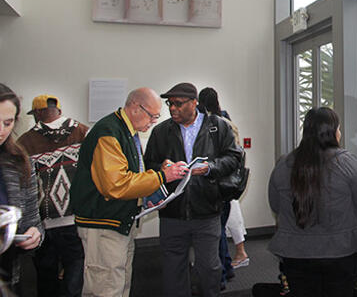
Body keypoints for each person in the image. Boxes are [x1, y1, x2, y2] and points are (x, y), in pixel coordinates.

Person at [71, 87, 188, 297]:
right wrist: (162, 177)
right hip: (104, 223)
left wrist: (151, 188)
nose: (154, 122)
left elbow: (130, 175)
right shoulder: (109, 132)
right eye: (152, 116)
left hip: (119, 222)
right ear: (135, 107)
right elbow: (116, 185)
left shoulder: (125, 131)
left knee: (120, 281)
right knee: (105, 287)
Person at [144, 82, 242, 297]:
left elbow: (234, 158)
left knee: (209, 268)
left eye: (178, 104)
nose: (172, 109)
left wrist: (210, 168)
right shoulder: (161, 132)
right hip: (172, 212)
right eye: (170, 104)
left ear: (194, 103)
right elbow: (147, 165)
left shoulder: (217, 127)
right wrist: (162, 168)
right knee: (173, 270)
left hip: (207, 210)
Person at [268, 107, 357, 297]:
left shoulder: (283, 164)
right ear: (332, 132)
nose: (340, 133)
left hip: (295, 254)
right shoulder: (347, 162)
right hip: (340, 253)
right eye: (339, 128)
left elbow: (276, 206)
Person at [17, 94, 89, 297]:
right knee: (75, 276)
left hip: (43, 224)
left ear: (38, 113)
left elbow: (22, 185)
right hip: (77, 219)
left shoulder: (25, 142)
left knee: (46, 279)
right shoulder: (84, 132)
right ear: (57, 110)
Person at [198, 86, 249, 289]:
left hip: (214, 184)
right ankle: (226, 267)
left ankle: (218, 277)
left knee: (215, 231)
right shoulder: (227, 119)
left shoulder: (208, 125)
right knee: (221, 227)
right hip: (227, 185)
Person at [0, 84, 44, 293]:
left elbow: (32, 221)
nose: (1, 131)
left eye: (7, 123)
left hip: (8, 274)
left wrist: (35, 234)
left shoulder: (18, 162)